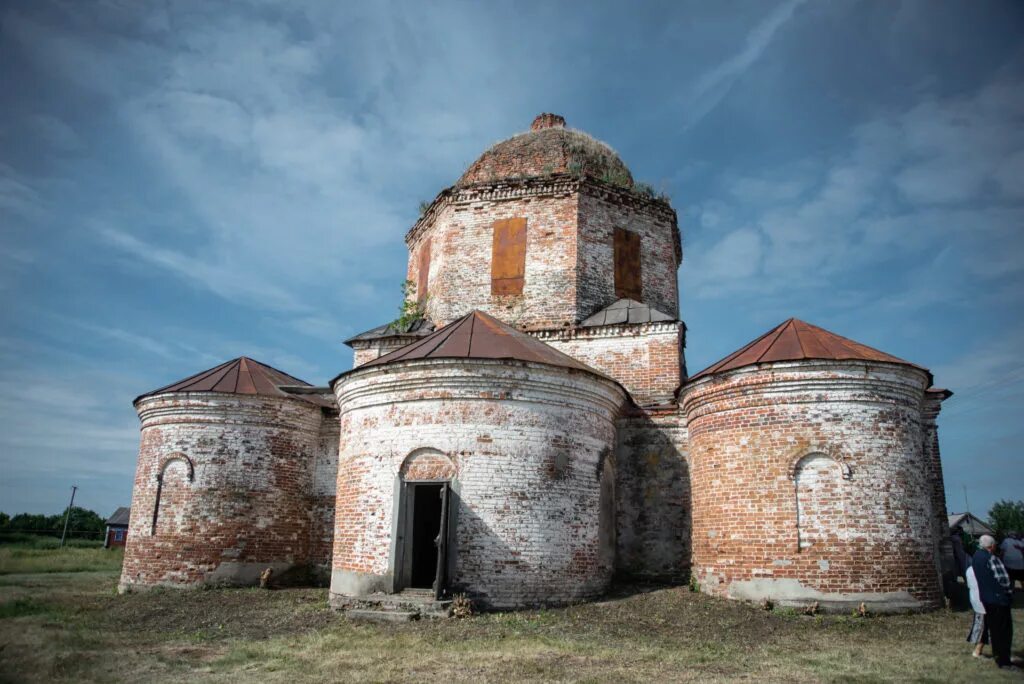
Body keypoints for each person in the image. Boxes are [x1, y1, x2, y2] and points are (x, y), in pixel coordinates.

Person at [972, 534, 1017, 670]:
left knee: (995, 630)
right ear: (991, 546)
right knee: (1003, 631)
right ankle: (1004, 661)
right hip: (998, 599)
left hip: (986, 599)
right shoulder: (991, 558)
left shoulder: (976, 557)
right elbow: (1003, 580)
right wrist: (1009, 594)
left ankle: (999, 657)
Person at [965, 560, 989, 657]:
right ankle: (977, 650)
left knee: (983, 626)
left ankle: (978, 650)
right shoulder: (983, 570)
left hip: (976, 600)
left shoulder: (970, 569)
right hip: (983, 601)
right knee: (984, 627)